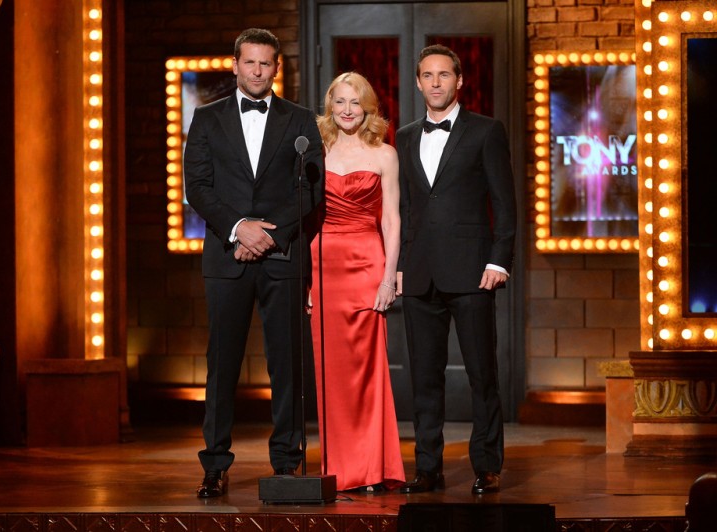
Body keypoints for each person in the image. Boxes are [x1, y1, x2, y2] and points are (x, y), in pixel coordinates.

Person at [183, 28, 324, 499]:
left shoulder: (302, 119)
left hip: (284, 258)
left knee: (287, 363)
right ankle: (215, 465)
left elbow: (312, 190)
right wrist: (238, 227)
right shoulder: (206, 118)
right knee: (221, 364)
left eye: (266, 64)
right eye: (250, 63)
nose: (258, 71)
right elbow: (198, 187)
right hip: (226, 257)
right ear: (236, 64)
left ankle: (286, 461)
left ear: (277, 67)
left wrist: (266, 234)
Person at [395, 45, 517, 495]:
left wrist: (499, 259)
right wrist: (402, 266)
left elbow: (504, 203)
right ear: (418, 82)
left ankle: (487, 465)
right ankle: (428, 467)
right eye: (427, 75)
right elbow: (407, 208)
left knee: (483, 374)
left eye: (444, 75)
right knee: (424, 378)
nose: (436, 83)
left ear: (459, 80)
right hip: (421, 274)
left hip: (472, 272)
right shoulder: (405, 136)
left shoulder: (486, 131)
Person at [310, 72, 405, 492]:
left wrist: (388, 277)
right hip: (323, 265)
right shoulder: (316, 150)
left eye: (356, 103)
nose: (347, 110)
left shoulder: (385, 154)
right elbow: (307, 216)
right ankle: (339, 468)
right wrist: (304, 284)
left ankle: (371, 467)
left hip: (368, 262)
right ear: (330, 106)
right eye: (340, 102)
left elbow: (391, 219)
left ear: (367, 108)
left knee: (368, 369)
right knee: (331, 371)